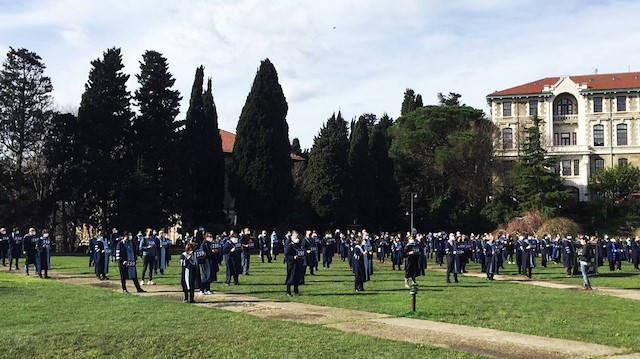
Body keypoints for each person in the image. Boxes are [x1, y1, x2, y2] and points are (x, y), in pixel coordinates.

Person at [284, 230, 305, 296]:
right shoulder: (290, 246)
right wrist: (293, 257)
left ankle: (296, 291)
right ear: (292, 237)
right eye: (295, 236)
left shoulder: (299, 245)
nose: (297, 237)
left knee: (297, 277)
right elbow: (286, 255)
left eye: (297, 236)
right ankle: (288, 291)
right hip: (291, 264)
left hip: (298, 263)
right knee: (290, 277)